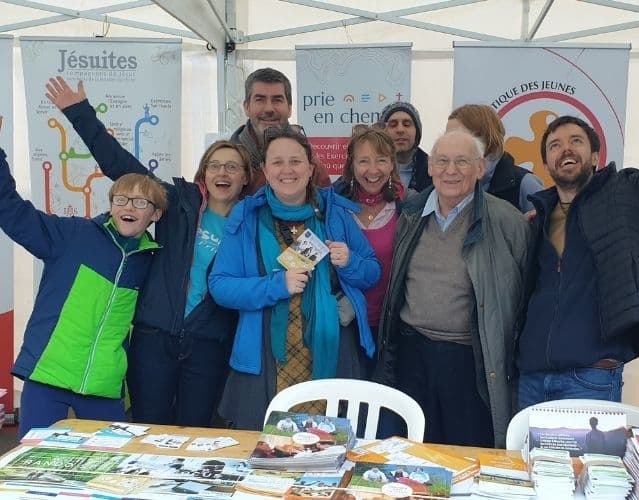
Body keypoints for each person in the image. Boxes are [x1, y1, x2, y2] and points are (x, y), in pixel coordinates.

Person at [46, 76, 250, 427]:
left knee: (196, 432)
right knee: (147, 428)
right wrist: (80, 113)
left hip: (208, 344)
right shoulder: (179, 204)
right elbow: (120, 166)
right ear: (203, 174)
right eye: (215, 165)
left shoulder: (251, 223)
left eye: (233, 167)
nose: (223, 172)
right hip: (154, 339)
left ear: (245, 178)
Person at [516, 106, 639, 409]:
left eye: (576, 141)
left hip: (590, 379)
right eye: (555, 145)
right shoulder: (537, 217)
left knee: (589, 460)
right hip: (531, 380)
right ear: (546, 164)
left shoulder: (629, 193)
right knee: (523, 459)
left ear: (596, 156)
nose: (565, 148)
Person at [208, 128, 380, 430]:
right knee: (269, 452)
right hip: (266, 359)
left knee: (330, 448)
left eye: (295, 161)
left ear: (311, 168)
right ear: (264, 170)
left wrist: (350, 262)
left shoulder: (335, 213)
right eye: (277, 162)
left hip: (332, 352)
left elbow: (372, 271)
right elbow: (220, 286)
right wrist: (276, 285)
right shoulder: (246, 216)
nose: (287, 170)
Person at [376, 129, 529, 448]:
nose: (451, 170)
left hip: (468, 361)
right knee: (414, 452)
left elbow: (522, 289)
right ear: (430, 166)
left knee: (466, 452)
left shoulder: (507, 221)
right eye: (442, 161)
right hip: (411, 355)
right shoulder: (411, 212)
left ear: (481, 168)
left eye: (462, 161)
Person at [0, 146, 167, 438]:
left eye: (140, 202)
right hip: (47, 378)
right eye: (121, 199)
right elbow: (12, 212)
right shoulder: (74, 235)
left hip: (104, 386)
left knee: (109, 470)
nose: (129, 207)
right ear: (112, 205)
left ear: (156, 213)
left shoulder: (152, 262)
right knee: (34, 466)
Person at [334, 128, 404, 364]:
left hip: (392, 327)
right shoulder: (332, 206)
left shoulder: (408, 208)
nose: (373, 170)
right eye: (364, 161)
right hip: (344, 323)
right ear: (351, 165)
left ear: (392, 164)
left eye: (381, 160)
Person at [230, 67, 330, 194]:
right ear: (246, 107)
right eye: (260, 99)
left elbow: (326, 209)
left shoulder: (310, 163)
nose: (269, 109)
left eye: (277, 100)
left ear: (289, 108)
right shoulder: (226, 162)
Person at [447, 104, 543, 212]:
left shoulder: (525, 183)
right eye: (447, 137)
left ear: (483, 136)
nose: (450, 144)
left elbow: (546, 226)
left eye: (458, 137)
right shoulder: (446, 182)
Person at [378, 101, 432, 195]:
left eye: (407, 124)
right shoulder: (369, 171)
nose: (400, 130)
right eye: (393, 125)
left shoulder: (433, 171)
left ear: (417, 133)